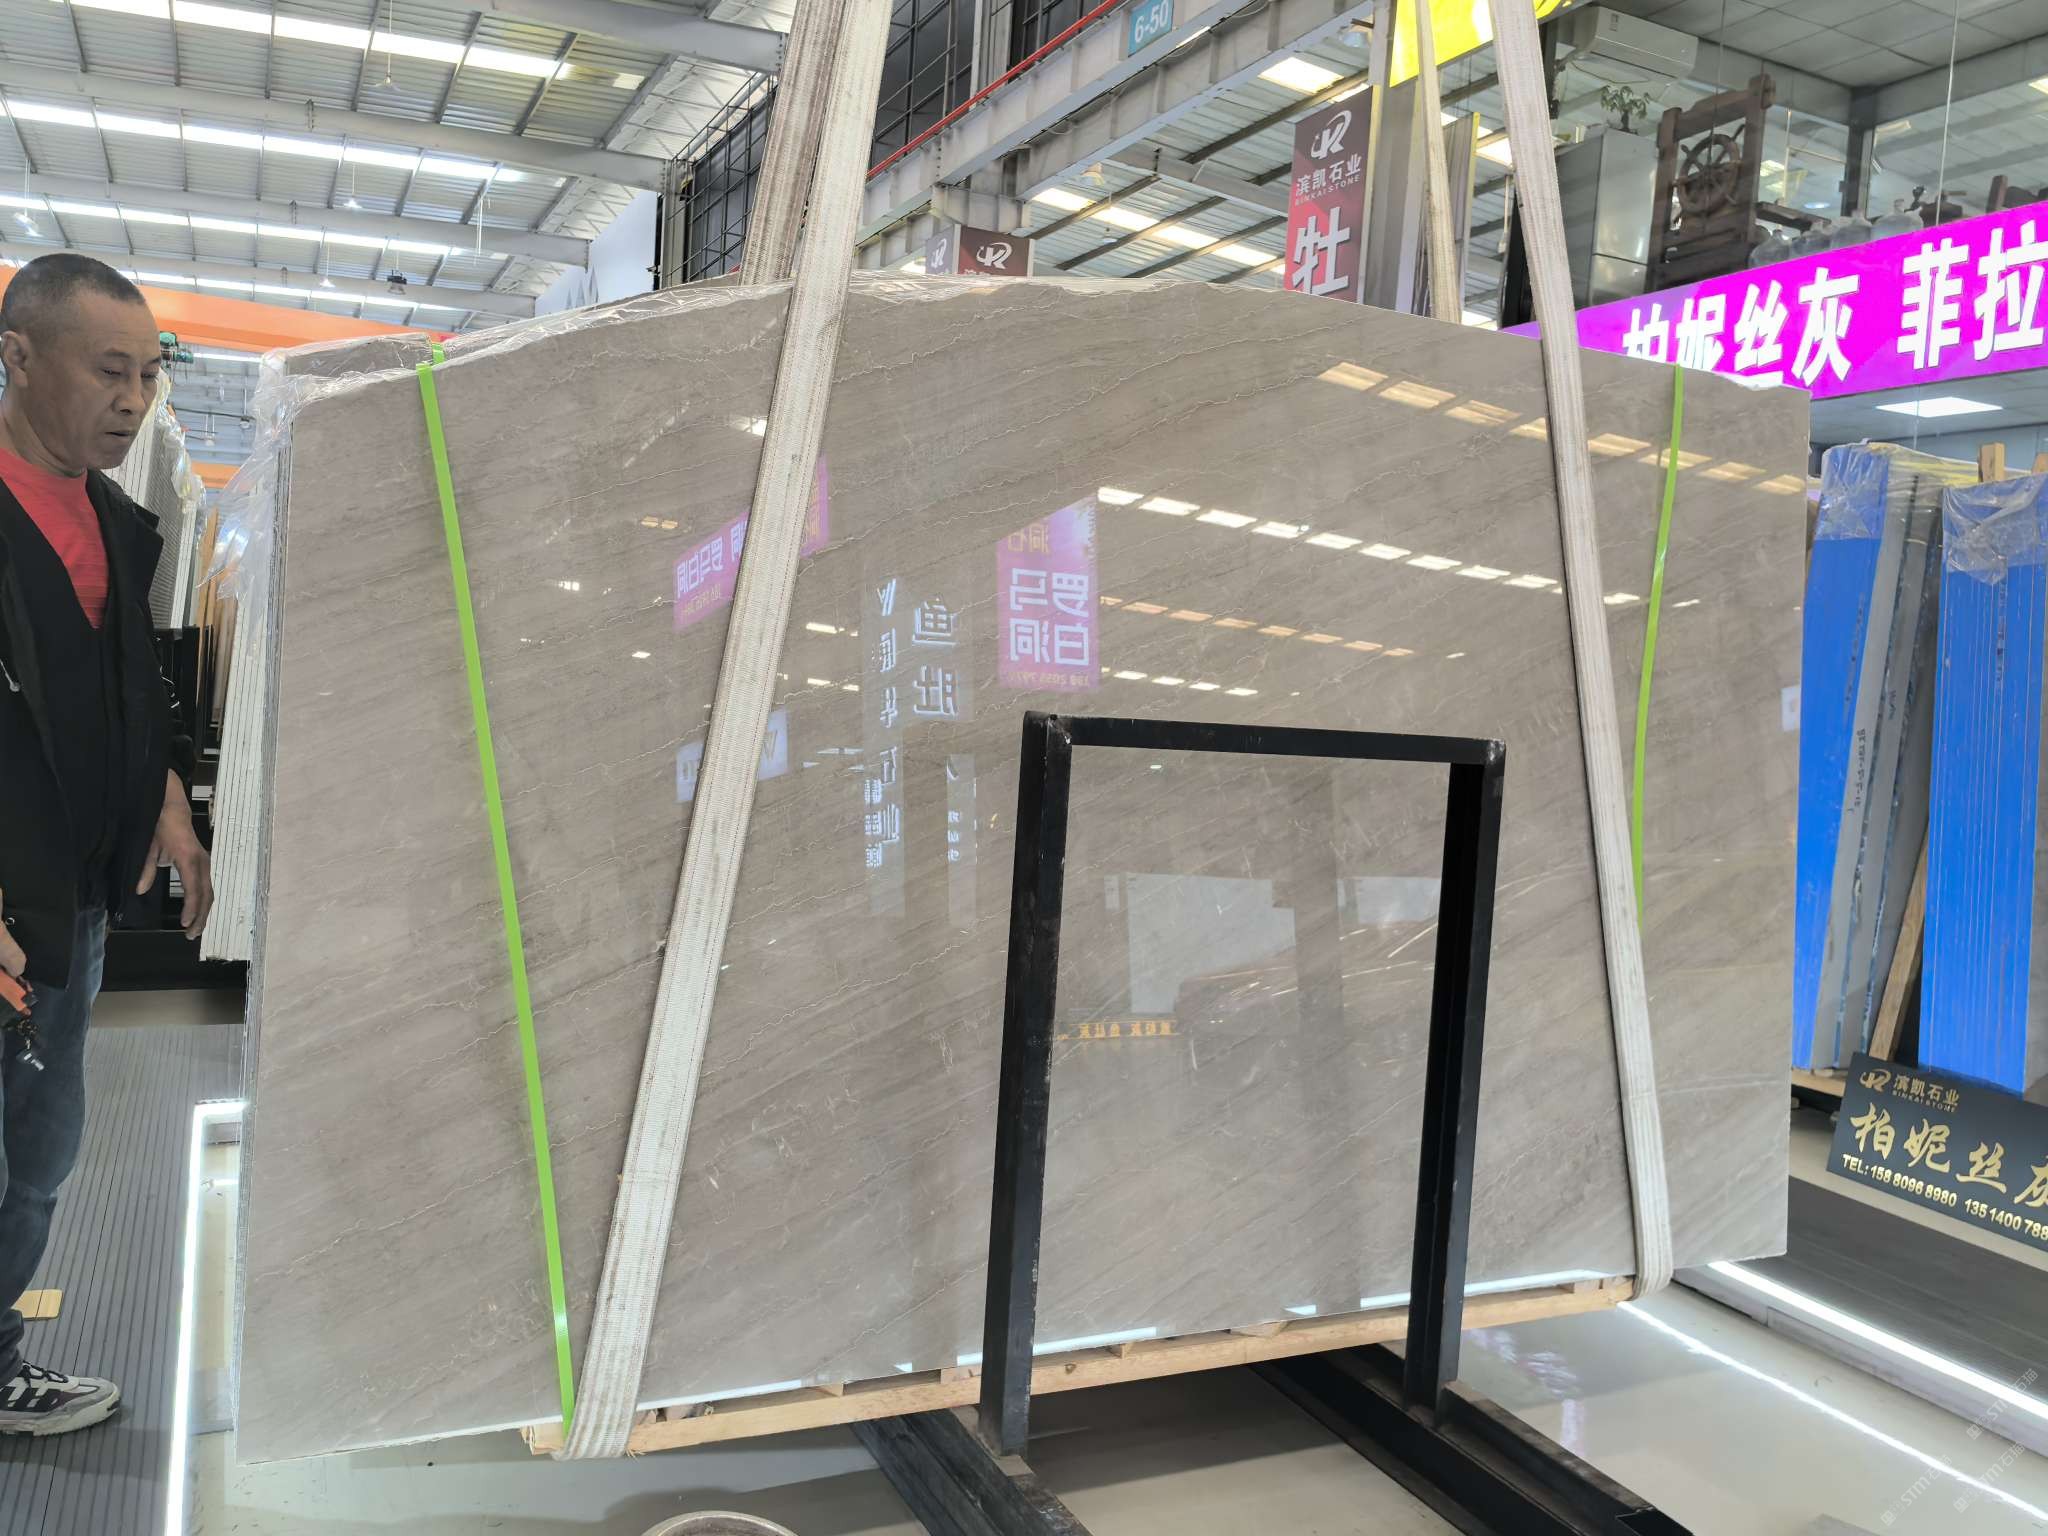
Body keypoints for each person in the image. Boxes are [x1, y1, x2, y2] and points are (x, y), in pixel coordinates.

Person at [0, 253, 212, 1436]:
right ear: (19, 356)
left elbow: (126, 686)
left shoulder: (117, 524)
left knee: (37, 1158)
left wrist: (164, 788)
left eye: (148, 377)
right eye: (108, 372)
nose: (133, 402)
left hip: (69, 910)